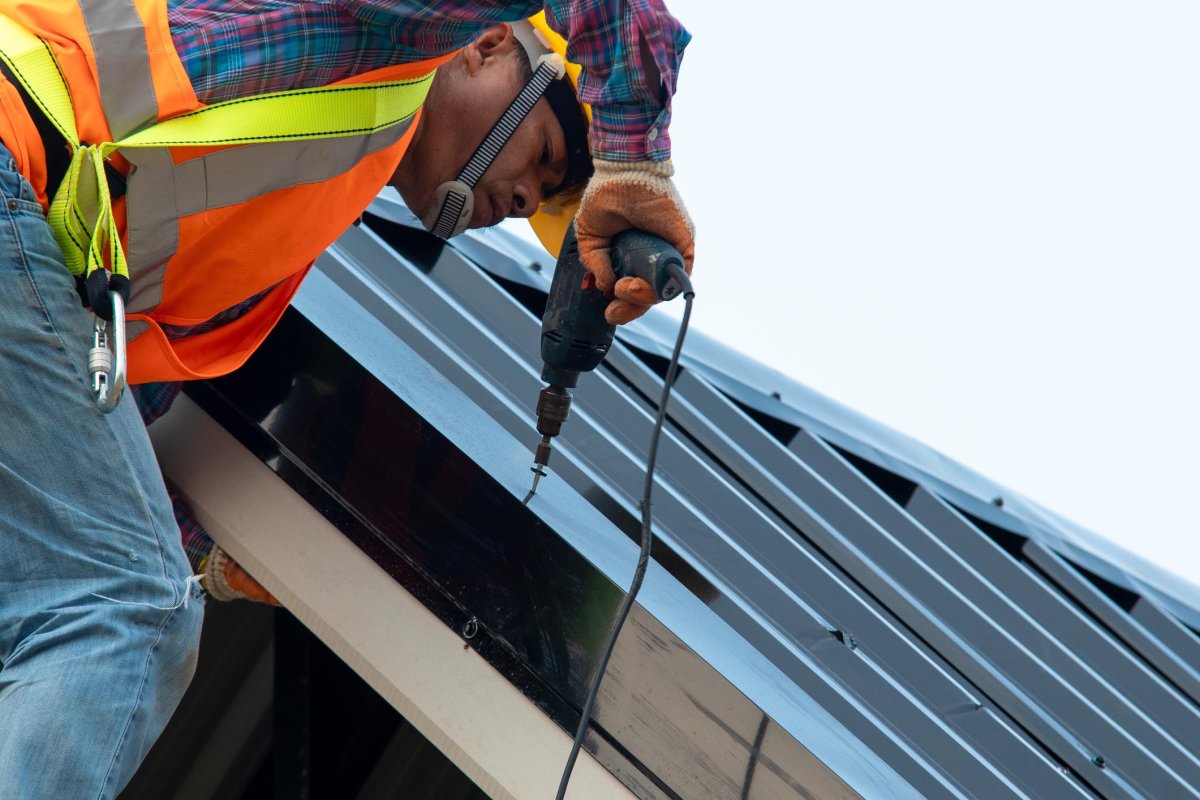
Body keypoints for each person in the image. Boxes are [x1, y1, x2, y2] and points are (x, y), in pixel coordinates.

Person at [0, 2, 691, 797]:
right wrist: (632, 161)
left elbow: (104, 419)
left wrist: (207, 556)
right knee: (128, 607)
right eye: (542, 153)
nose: (529, 197)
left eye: (545, 193)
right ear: (488, 45)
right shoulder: (390, 32)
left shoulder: (296, 212)